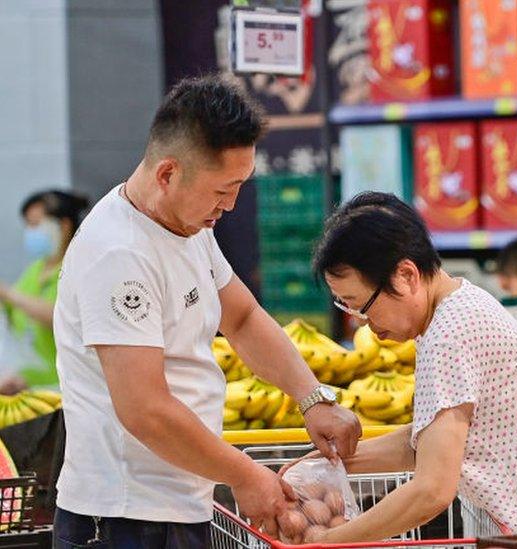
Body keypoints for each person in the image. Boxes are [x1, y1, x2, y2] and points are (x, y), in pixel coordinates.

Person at [52, 75, 361, 548]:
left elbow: (241, 318)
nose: (232, 204)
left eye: (239, 186)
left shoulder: (191, 227)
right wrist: (244, 474)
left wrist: (311, 398)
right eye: (223, 190)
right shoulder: (118, 255)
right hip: (123, 519)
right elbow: (145, 410)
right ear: (167, 174)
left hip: (178, 505)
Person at [295, 192, 517, 543]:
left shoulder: (449, 335)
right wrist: (325, 465)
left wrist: (329, 541)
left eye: (361, 306)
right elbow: (430, 444)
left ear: (407, 275)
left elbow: (432, 489)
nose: (362, 323)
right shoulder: (456, 308)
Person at [0, 190, 88, 393]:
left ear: (64, 225)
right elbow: (13, 318)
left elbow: (60, 316)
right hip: (30, 387)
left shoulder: (79, 268)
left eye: (36, 224)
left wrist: (9, 295)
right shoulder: (35, 270)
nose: (31, 232)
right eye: (28, 225)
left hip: (68, 390)